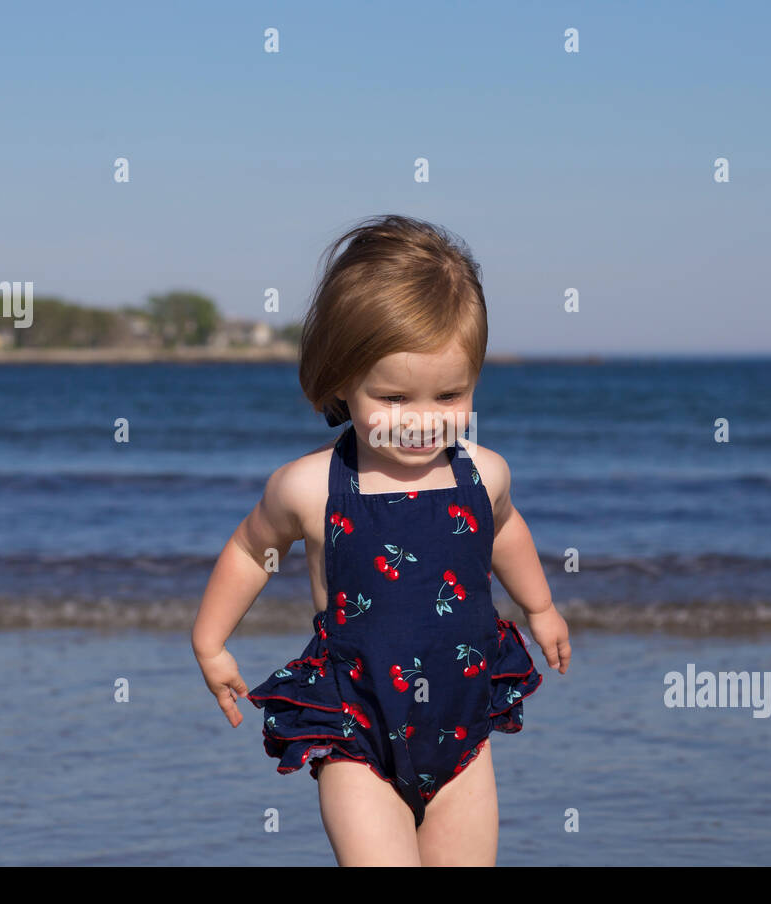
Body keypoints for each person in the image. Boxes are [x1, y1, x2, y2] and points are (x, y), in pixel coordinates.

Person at [191, 214, 570, 865]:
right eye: (395, 397)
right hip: (355, 730)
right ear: (342, 381)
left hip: (461, 731)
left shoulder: (485, 473)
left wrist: (539, 607)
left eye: (450, 394)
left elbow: (504, 529)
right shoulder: (311, 487)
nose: (424, 421)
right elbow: (253, 550)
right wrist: (210, 639)